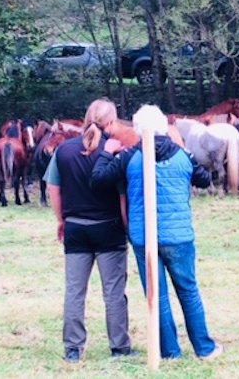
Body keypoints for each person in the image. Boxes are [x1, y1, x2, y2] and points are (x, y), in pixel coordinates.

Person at [90, 104, 223, 360]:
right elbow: (205, 180)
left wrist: (107, 154)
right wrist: (188, 155)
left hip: (143, 237)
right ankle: (204, 349)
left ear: (137, 129)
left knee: (157, 295)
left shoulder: (129, 157)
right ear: (163, 127)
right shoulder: (181, 155)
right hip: (179, 236)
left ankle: (170, 352)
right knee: (188, 291)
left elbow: (98, 180)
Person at [44, 98, 135, 364]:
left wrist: (61, 219)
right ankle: (119, 347)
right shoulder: (115, 151)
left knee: (74, 291)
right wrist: (126, 227)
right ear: (111, 121)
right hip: (109, 229)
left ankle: (73, 348)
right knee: (114, 292)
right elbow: (122, 196)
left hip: (76, 229)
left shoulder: (63, 150)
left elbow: (53, 189)